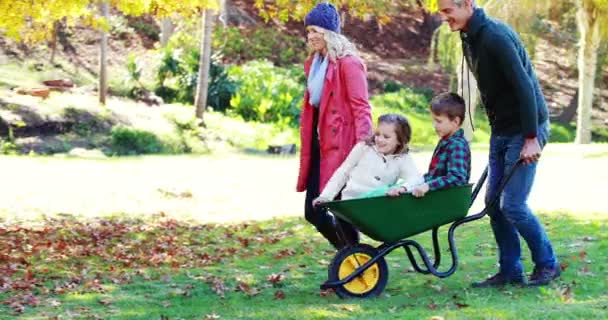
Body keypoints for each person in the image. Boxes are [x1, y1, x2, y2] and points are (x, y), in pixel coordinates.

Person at [437, 0, 559, 287]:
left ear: (466, 4)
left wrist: (531, 138)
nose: (444, 18)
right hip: (502, 130)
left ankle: (548, 264)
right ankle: (510, 270)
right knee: (493, 204)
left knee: (513, 205)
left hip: (526, 129)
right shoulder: (469, 37)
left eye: (447, 11)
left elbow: (525, 87)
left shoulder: (495, 36)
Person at [296, 3, 373, 249]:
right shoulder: (315, 64)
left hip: (343, 148)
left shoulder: (349, 63)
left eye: (315, 30)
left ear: (329, 32)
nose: (310, 36)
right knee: (313, 211)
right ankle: (351, 258)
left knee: (341, 210)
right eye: (308, 31)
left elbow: (361, 107)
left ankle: (354, 265)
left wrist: (363, 144)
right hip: (320, 147)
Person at [313, 114, 423, 205]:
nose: (379, 139)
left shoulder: (402, 158)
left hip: (376, 205)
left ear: (400, 140)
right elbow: (343, 172)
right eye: (377, 134)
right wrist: (326, 196)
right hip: (351, 202)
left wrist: (403, 188)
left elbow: (416, 178)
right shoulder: (364, 148)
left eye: (386, 137)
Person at [390, 93, 471, 198]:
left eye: (438, 121)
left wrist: (428, 186)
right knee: (400, 188)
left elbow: (457, 178)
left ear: (455, 121)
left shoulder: (457, 145)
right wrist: (410, 186)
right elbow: (433, 176)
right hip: (436, 195)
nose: (434, 125)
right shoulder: (445, 141)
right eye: (433, 120)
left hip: (447, 199)